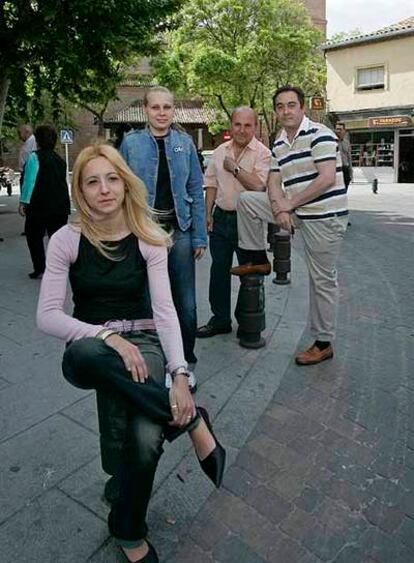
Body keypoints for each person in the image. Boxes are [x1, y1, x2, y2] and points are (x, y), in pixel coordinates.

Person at [36, 144, 225, 563]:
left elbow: (165, 312)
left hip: (145, 342)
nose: (104, 189)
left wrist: (179, 374)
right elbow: (47, 316)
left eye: (112, 178)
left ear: (124, 183)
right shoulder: (67, 240)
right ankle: (192, 421)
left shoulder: (148, 238)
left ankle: (127, 529)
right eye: (92, 181)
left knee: (143, 435)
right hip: (94, 348)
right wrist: (108, 338)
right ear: (79, 192)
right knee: (84, 356)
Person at [231, 86, 348, 365]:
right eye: (280, 106)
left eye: (291, 105)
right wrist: (277, 206)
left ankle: (323, 343)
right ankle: (258, 259)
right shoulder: (280, 141)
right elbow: (272, 180)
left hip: (324, 216)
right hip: (297, 211)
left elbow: (327, 178)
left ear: (302, 107)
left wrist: (289, 204)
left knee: (321, 280)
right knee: (247, 200)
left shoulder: (320, 134)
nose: (286, 111)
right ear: (276, 111)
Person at [120, 86, 207, 389]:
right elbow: (122, 191)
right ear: (146, 110)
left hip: (179, 230)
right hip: (144, 231)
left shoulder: (185, 143)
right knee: (147, 300)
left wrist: (199, 236)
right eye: (155, 107)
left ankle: (185, 362)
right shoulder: (130, 143)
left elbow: (196, 188)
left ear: (173, 110)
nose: (161, 113)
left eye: (167, 107)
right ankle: (156, 359)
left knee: (186, 302)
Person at [197, 107, 271, 338]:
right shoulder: (220, 151)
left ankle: (247, 320)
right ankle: (220, 320)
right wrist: (207, 214)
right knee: (218, 272)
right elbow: (211, 184)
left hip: (248, 222)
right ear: (231, 125)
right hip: (221, 219)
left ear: (255, 127)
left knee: (249, 273)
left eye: (248, 125)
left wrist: (235, 169)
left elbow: (259, 186)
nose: (242, 130)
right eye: (237, 124)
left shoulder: (263, 154)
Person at [19, 124, 70, 279]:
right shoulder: (60, 160)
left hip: (39, 206)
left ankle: (40, 268)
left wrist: (23, 202)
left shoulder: (34, 157)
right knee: (57, 238)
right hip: (60, 206)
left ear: (38, 141)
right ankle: (59, 268)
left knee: (33, 236)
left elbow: (29, 182)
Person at [335, 122, 353, 191]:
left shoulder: (347, 142)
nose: (338, 131)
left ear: (344, 131)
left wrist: (351, 171)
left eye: (340, 129)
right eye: (337, 129)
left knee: (345, 190)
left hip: (345, 169)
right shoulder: (332, 141)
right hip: (336, 169)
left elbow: (349, 157)